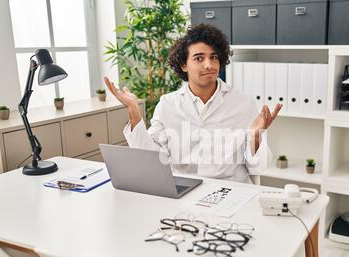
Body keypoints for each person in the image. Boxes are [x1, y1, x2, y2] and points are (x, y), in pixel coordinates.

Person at [104, 24, 282, 183]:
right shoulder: (168, 104)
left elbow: (259, 168)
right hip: (185, 189)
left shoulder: (242, 103)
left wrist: (256, 136)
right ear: (183, 65)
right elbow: (151, 159)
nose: (209, 65)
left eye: (214, 57)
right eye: (199, 58)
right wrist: (134, 113)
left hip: (231, 189)